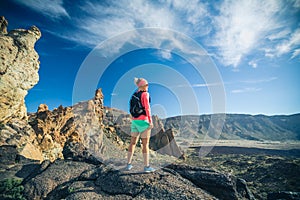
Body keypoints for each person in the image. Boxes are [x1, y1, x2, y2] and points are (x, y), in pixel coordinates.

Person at [126, 77, 155, 172]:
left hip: (134, 122)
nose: (148, 86)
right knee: (145, 144)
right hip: (144, 122)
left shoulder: (134, 95)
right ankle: (147, 167)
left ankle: (128, 165)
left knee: (132, 143)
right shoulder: (145, 94)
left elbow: (130, 108)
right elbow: (147, 108)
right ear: (142, 86)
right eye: (146, 85)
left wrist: (133, 118)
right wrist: (150, 121)